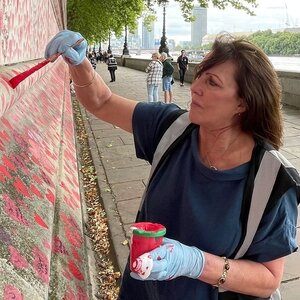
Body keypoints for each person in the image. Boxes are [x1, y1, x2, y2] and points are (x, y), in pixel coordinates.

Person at [45, 30, 299, 300]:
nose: (196, 86)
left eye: (212, 82)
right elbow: (103, 102)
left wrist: (196, 263)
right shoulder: (171, 127)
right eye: (199, 74)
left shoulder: (272, 180)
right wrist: (80, 63)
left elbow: (268, 279)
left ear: (243, 103)